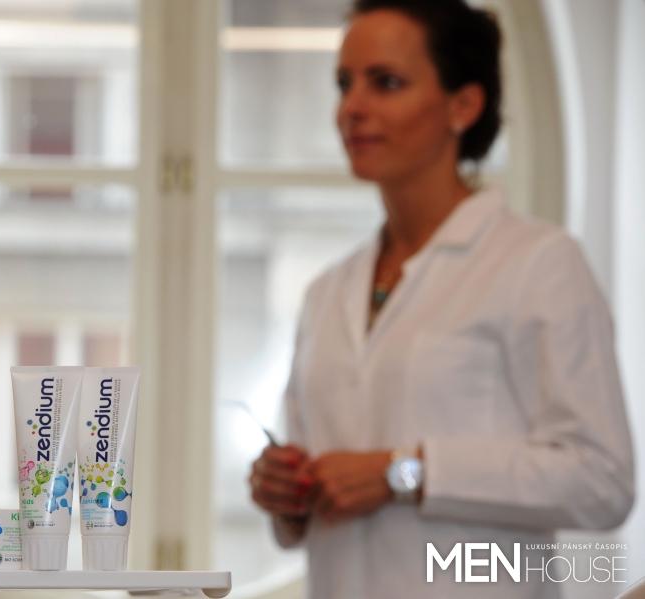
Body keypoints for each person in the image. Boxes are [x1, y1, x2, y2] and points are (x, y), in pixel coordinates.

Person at [248, 0, 635, 597]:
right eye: (345, 84)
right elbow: (319, 486)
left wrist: (406, 472)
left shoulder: (538, 264)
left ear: (464, 105)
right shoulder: (328, 293)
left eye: (386, 82)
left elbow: (601, 481)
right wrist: (287, 494)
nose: (352, 108)